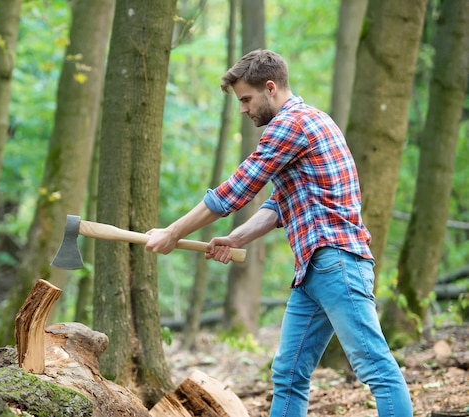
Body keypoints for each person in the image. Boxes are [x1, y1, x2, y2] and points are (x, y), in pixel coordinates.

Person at [145, 49, 413, 417]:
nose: (243, 109)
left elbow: (236, 190)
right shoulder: (309, 122)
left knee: (376, 368)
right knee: (287, 375)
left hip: (337, 263)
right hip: (313, 271)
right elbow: (278, 204)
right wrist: (236, 238)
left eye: (246, 99)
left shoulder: (292, 124)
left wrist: (173, 232)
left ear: (270, 88)